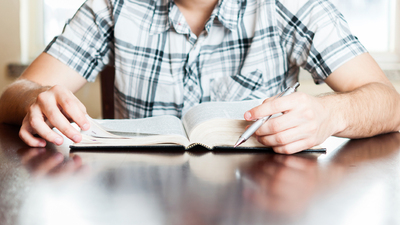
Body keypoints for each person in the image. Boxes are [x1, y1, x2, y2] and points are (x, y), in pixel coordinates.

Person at [0, 0, 399, 154]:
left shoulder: (288, 5)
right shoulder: (113, 5)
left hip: (264, 204)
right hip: (131, 203)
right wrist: (37, 99)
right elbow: (14, 93)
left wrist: (331, 115)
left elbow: (390, 103)